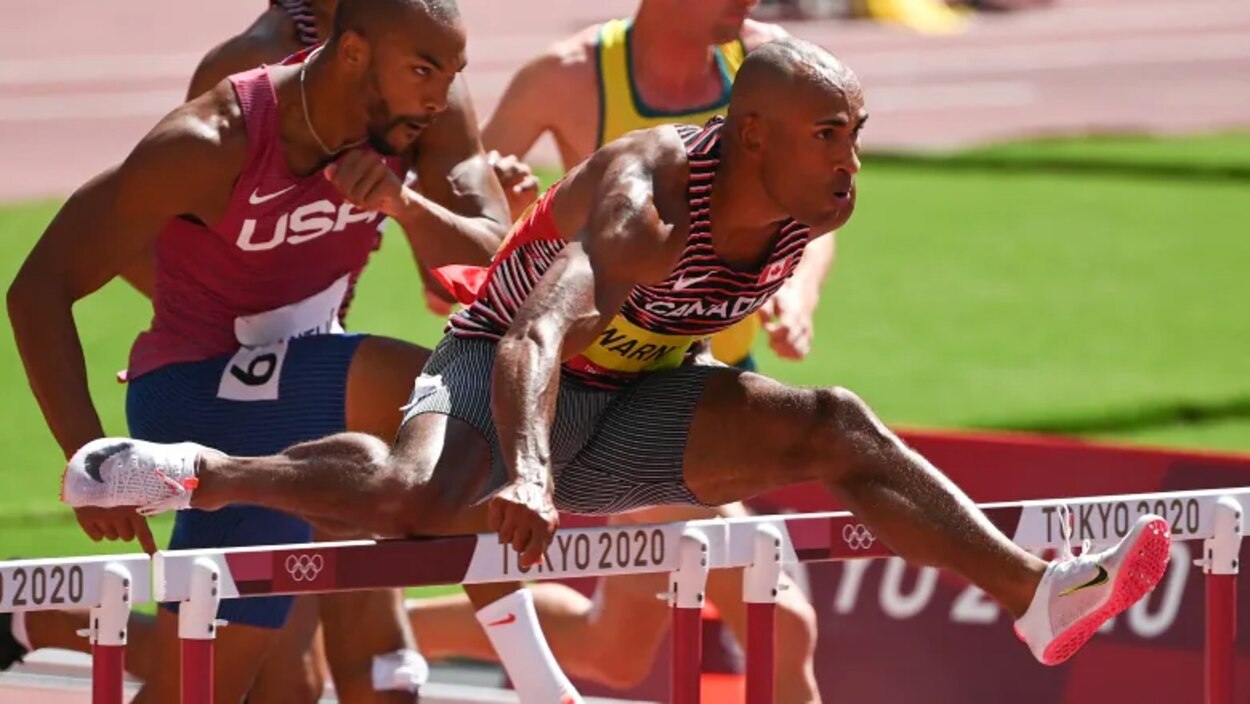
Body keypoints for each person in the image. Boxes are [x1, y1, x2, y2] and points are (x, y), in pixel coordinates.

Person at [62, 37, 1173, 687]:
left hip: (635, 396)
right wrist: (534, 471)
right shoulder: (647, 207)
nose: (852, 159)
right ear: (751, 139)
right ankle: (200, 467)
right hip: (500, 377)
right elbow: (537, 333)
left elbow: (664, 344)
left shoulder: (798, 199)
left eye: (856, 130)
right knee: (413, 497)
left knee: (831, 420)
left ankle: (1033, 593)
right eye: (830, 134)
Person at [12, 1, 588, 702]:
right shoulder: (215, 133)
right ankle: (543, 684)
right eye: (422, 70)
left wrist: (408, 208)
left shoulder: (423, 111)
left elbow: (498, 269)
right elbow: (39, 285)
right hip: (196, 390)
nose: (438, 92)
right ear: (351, 53)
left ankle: (29, 619)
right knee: (446, 387)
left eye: (451, 72)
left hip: (305, 391)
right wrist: (88, 460)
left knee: (225, 684)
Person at [435, 2, 827, 697]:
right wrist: (509, 215)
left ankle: (373, 624)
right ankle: (365, 621)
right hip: (611, 391)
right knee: (783, 621)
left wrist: (799, 298)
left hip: (715, 376)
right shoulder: (565, 78)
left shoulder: (771, 67)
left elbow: (817, 205)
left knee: (612, 651)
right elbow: (472, 221)